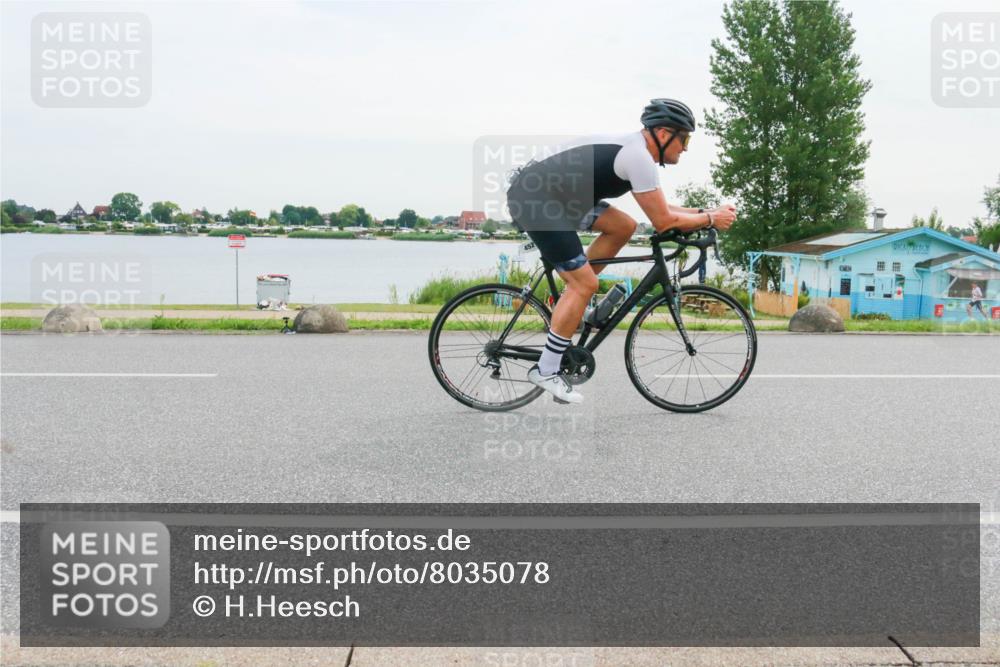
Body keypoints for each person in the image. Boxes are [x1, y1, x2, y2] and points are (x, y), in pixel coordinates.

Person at [506, 98, 738, 404]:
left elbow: (662, 207)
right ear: (664, 134)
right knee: (585, 284)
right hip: (537, 199)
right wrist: (710, 219)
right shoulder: (637, 156)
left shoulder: (637, 153)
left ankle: (571, 300)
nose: (685, 148)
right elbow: (663, 221)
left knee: (623, 226)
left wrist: (706, 212)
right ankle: (546, 370)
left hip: (559, 198)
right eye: (684, 139)